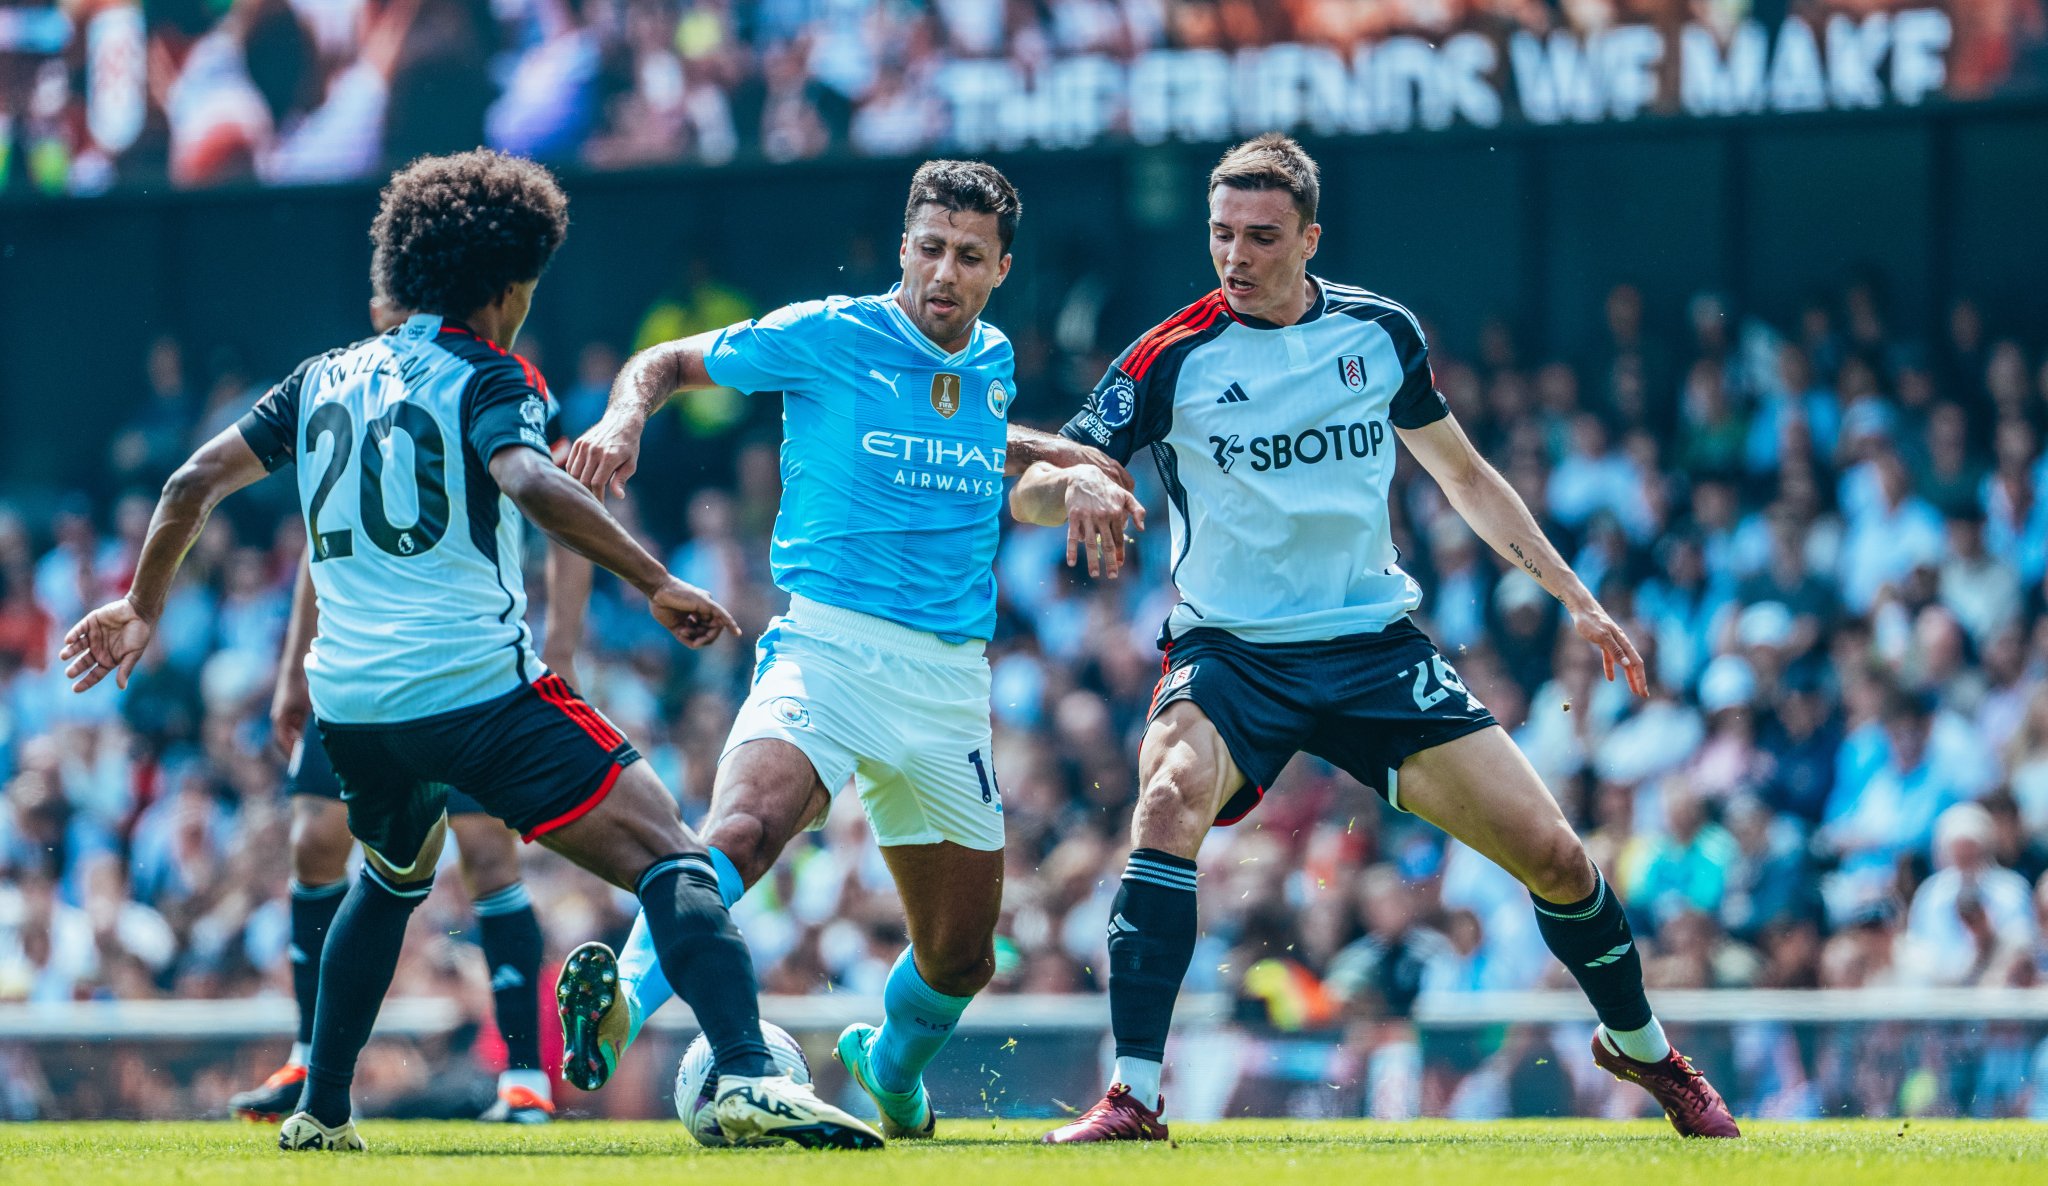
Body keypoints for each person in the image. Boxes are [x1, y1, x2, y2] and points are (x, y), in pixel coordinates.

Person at [61, 149, 880, 1152]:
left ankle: (321, 1107)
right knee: (674, 854)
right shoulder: (490, 374)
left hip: (355, 713)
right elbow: (532, 484)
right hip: (476, 693)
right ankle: (749, 1073)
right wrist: (656, 579)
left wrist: (139, 606)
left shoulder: (318, 378)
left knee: (393, 874)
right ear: (504, 290)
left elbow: (190, 481)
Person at [1014, 133, 1740, 1141]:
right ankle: (1133, 1092)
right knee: (1165, 798)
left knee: (1556, 857)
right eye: (1221, 234)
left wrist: (1575, 596)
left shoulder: (1378, 332)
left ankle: (1644, 1050)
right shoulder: (1166, 354)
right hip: (1232, 654)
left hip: (1371, 648)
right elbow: (1037, 484)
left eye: (1262, 237)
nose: (1235, 257)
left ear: (1309, 237)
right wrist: (1078, 479)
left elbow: (1466, 477)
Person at [558, 159, 1135, 1141]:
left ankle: (888, 1067)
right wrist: (623, 416)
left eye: (966, 256)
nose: (942, 273)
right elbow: (663, 363)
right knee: (741, 826)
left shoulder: (987, 361)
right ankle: (618, 1009)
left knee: (959, 958)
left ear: (999, 267)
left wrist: (1076, 476)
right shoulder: (829, 334)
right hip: (822, 649)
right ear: (902, 248)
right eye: (928, 250)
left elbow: (1002, 455)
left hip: (947, 684)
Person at [227, 295, 575, 1127]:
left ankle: (524, 1077)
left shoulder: (496, 383)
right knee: (314, 838)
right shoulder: (342, 382)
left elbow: (563, 511)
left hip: (461, 659)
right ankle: (308, 1062)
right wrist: (290, 671)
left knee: (487, 849)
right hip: (353, 663)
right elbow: (325, 539)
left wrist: (562, 641)